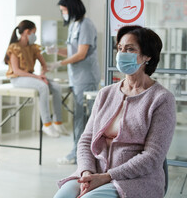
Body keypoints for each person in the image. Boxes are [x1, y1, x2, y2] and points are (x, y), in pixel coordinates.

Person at [53, 25, 176, 198]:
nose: (122, 53)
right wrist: (86, 172)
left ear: (147, 56)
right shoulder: (106, 93)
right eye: (120, 48)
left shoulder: (162, 99)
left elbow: (152, 157)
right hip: (94, 171)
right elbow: (86, 140)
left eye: (130, 49)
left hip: (134, 180)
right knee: (62, 196)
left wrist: (107, 176)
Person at [48, 0, 100, 164]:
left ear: (73, 8)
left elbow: (81, 54)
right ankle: (79, 153)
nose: (63, 13)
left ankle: (80, 155)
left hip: (86, 78)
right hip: (76, 78)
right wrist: (56, 51)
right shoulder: (74, 25)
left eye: (64, 10)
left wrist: (59, 64)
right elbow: (72, 51)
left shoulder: (86, 25)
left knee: (83, 118)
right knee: (78, 117)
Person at [4, 20, 68, 138]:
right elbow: (17, 71)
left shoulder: (33, 47)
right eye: (34, 32)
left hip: (32, 77)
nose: (35, 35)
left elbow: (44, 64)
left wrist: (42, 74)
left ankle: (58, 122)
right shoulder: (14, 48)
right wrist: (38, 77)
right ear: (27, 32)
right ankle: (47, 123)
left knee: (57, 87)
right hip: (18, 78)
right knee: (42, 86)